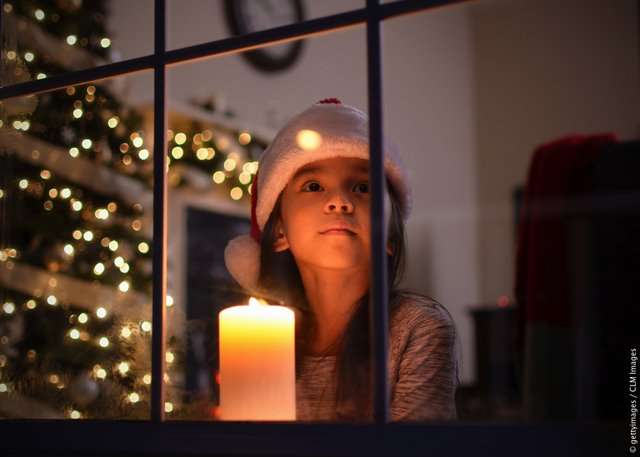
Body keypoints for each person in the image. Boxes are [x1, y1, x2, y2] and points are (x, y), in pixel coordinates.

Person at [224, 98, 460, 422]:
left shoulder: (417, 328)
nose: (339, 201)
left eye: (362, 187)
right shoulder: (258, 340)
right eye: (314, 186)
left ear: (389, 236)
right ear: (279, 231)